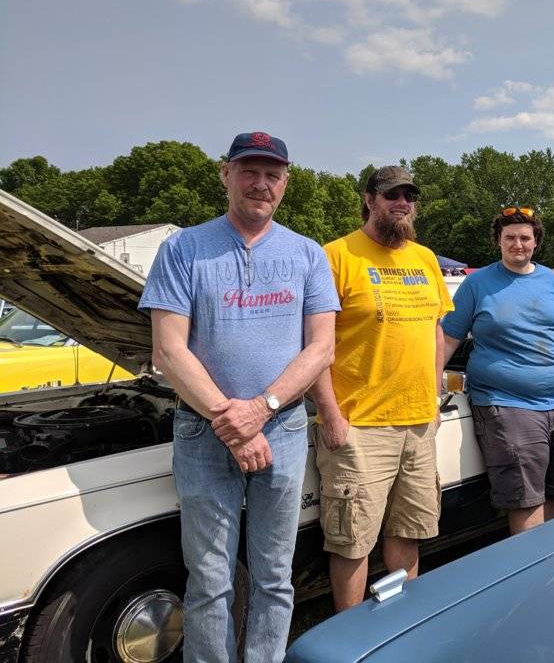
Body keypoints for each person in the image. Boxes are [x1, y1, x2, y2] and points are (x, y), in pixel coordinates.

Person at [139, 131, 339, 662]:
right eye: (249, 171)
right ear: (225, 174)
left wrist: (261, 409)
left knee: (275, 576)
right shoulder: (183, 249)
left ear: (286, 183)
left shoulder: (307, 254)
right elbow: (168, 350)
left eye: (273, 174)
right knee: (209, 579)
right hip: (203, 431)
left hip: (283, 428)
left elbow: (321, 348)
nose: (261, 184)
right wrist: (231, 420)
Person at [310, 165, 453, 612]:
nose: (403, 203)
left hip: (418, 424)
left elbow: (435, 330)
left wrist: (433, 397)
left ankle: (400, 626)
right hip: (359, 427)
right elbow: (313, 344)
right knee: (352, 542)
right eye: (392, 195)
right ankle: (351, 635)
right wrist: (331, 414)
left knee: (409, 532)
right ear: (369, 199)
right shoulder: (335, 255)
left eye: (409, 195)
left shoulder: (424, 258)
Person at [442, 206, 554, 535]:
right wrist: (430, 381)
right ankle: (532, 564)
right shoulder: (477, 284)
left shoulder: (552, 281)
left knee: (553, 493)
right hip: (508, 406)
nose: (518, 244)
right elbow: (448, 339)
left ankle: (546, 557)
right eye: (510, 238)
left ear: (536, 242)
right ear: (498, 241)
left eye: (524, 238)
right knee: (525, 500)